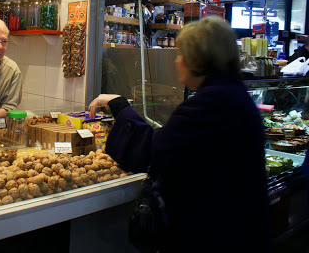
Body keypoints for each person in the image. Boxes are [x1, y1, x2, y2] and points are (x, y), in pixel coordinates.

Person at [89, 17, 270, 252]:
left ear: (199, 61)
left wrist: (120, 106)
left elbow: (152, 152)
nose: (177, 62)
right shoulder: (231, 94)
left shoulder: (213, 103)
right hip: (238, 230)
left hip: (216, 236)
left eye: (181, 55)